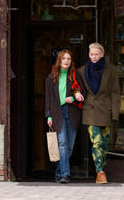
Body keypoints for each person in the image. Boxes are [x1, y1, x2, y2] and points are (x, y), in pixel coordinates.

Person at [78, 42, 120, 184]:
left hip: (106, 110)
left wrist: (115, 113)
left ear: (102, 54)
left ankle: (101, 166)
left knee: (104, 144)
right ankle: (100, 173)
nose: (94, 57)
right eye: (91, 54)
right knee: (96, 142)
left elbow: (115, 93)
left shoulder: (111, 70)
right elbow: (77, 88)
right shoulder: (82, 71)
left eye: (96, 54)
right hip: (90, 110)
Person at [45, 49, 86, 183]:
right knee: (62, 143)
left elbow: (82, 92)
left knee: (69, 147)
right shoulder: (51, 78)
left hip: (72, 112)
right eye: (64, 59)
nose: (66, 61)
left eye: (68, 59)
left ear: (71, 61)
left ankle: (58, 171)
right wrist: (48, 116)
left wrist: (73, 98)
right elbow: (48, 99)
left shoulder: (75, 76)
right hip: (58, 113)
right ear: (59, 61)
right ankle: (65, 175)